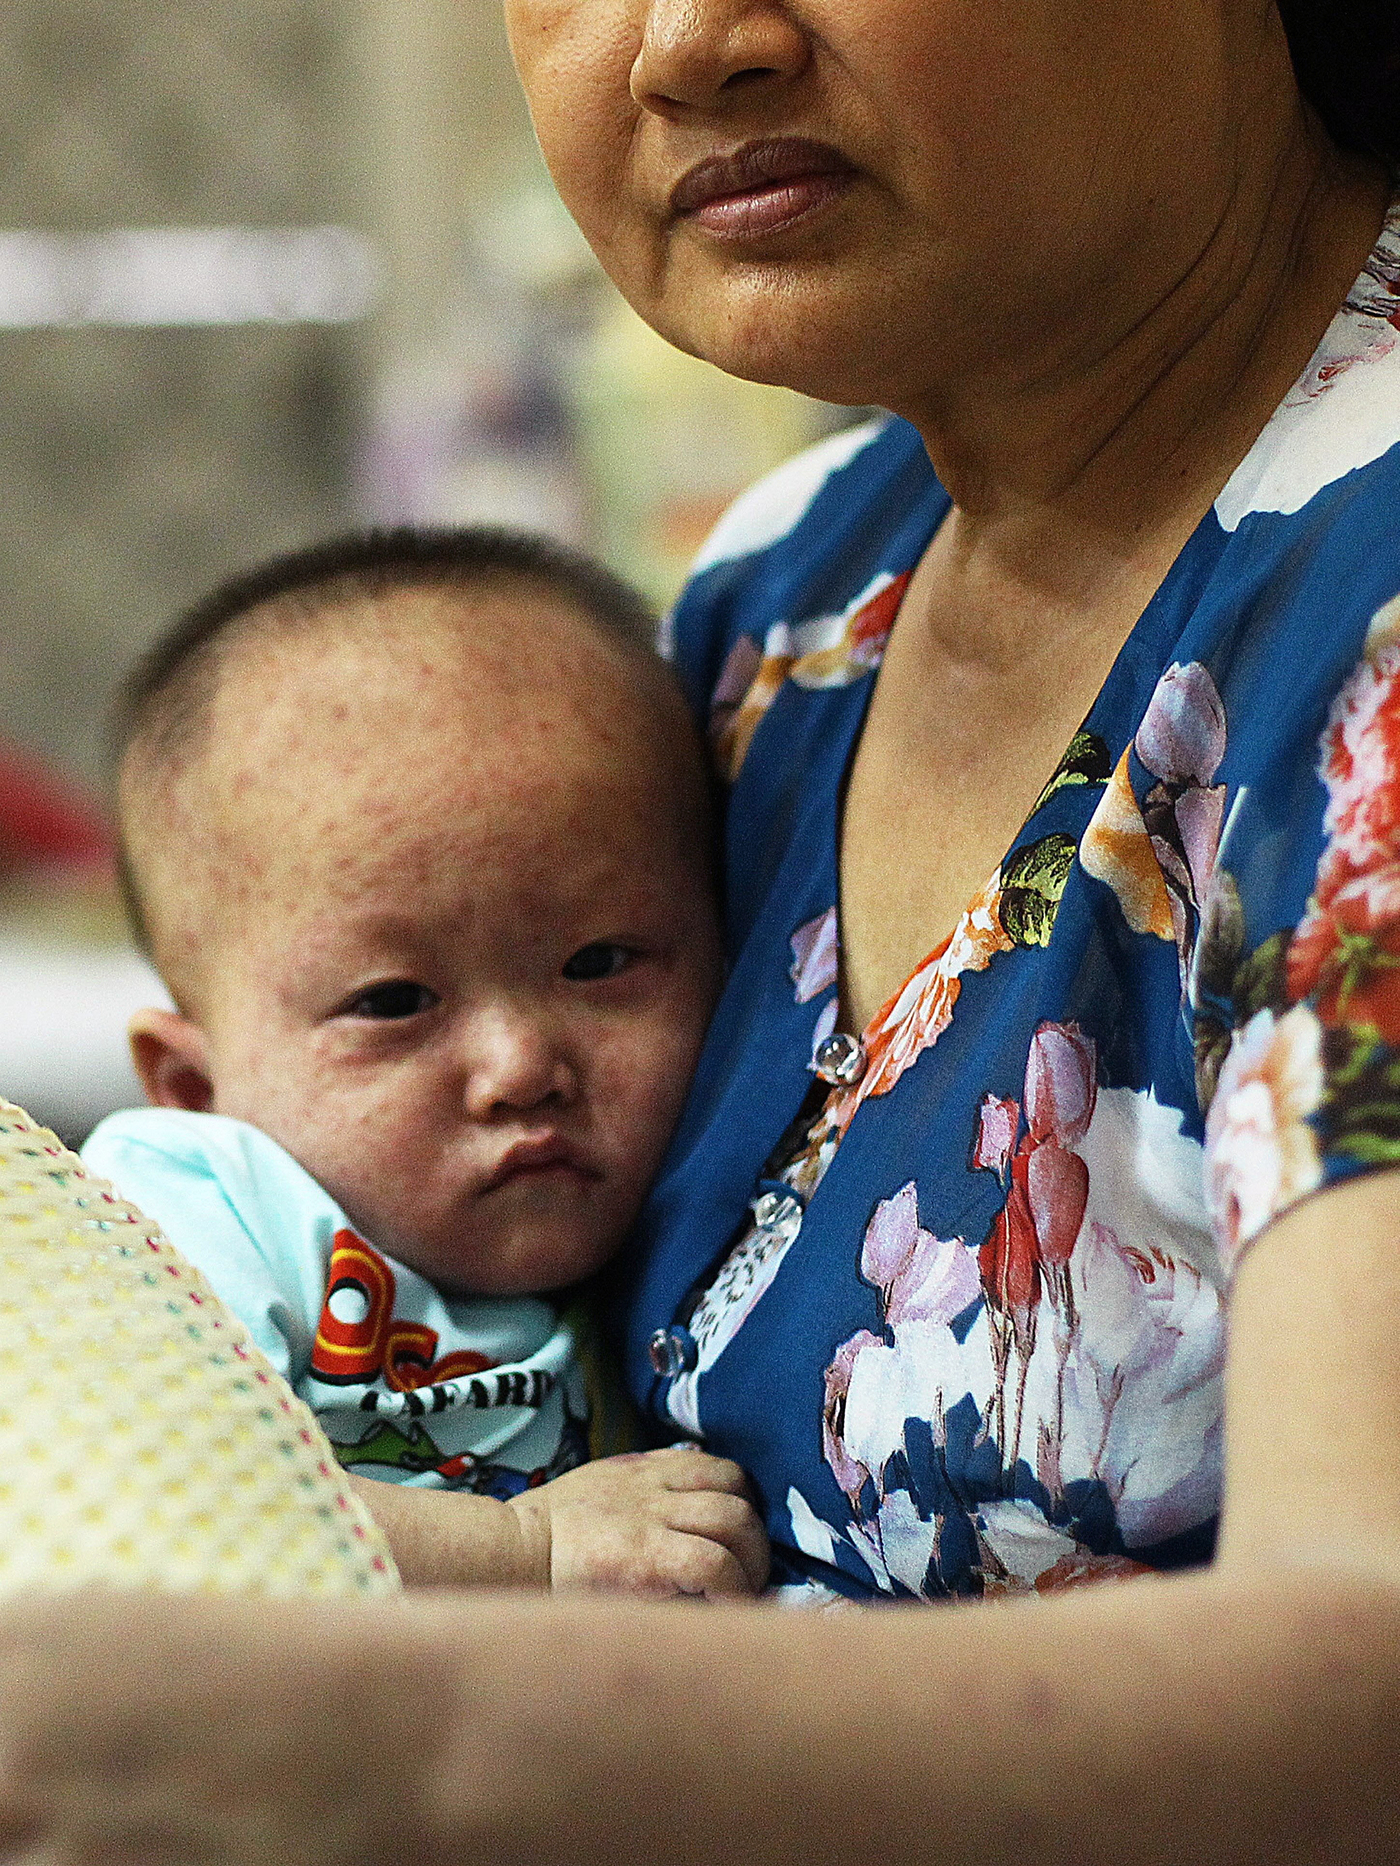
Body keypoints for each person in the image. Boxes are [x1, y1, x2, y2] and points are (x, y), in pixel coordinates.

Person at [1, 2, 1399, 1861]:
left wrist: (366, 1738)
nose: (682, 43)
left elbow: (1367, 1686)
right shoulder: (795, 596)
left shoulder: (1356, 632)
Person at [79, 525, 767, 1599]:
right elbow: (160, 1503)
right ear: (195, 1088)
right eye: (392, 1003)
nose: (518, 1068)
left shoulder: (676, 1226)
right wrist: (525, 1550)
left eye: (598, 962)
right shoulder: (206, 1208)